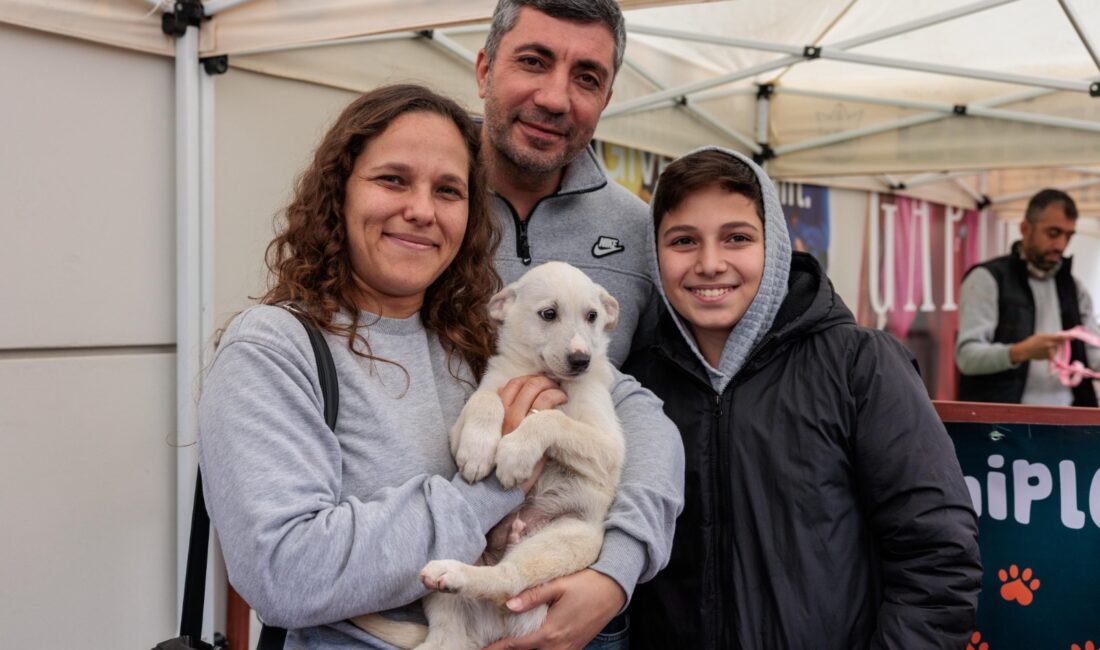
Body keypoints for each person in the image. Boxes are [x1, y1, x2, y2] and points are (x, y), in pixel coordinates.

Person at [622, 147, 983, 649]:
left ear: (775, 248)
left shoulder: (860, 364)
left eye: (737, 238)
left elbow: (938, 557)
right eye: (683, 241)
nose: (710, 263)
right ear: (653, 252)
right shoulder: (635, 386)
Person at [474, 2, 685, 649]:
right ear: (484, 67)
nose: (556, 97)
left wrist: (615, 571)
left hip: (574, 599)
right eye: (533, 61)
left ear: (608, 95)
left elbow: (654, 410)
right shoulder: (429, 208)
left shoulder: (639, 231)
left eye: (587, 77)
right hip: (433, 585)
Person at [956, 188, 1099, 406]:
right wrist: (1020, 352)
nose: (1061, 245)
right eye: (1053, 233)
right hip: (1005, 426)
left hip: (1068, 422)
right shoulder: (987, 279)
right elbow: (967, 357)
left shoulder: (1074, 288)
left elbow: (1093, 354)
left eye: (1068, 236)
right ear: (1025, 228)